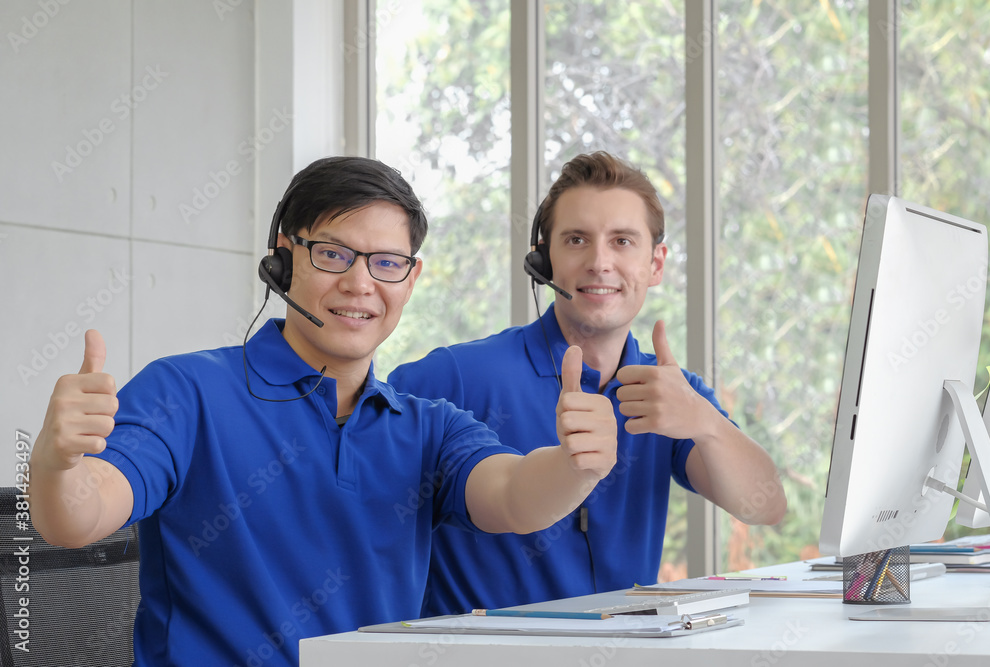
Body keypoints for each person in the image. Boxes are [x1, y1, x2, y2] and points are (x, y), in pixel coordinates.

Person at [28, 156, 618, 667]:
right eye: (334, 254)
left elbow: (514, 496)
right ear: (285, 259)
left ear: (410, 281)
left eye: (387, 263)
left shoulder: (428, 427)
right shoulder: (186, 391)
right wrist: (58, 465)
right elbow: (77, 519)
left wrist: (576, 467)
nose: (361, 284)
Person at [389, 151, 787, 617]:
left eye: (622, 241)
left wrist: (706, 424)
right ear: (544, 258)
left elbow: (766, 507)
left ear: (656, 264)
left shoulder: (672, 393)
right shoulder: (454, 376)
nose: (600, 262)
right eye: (577, 240)